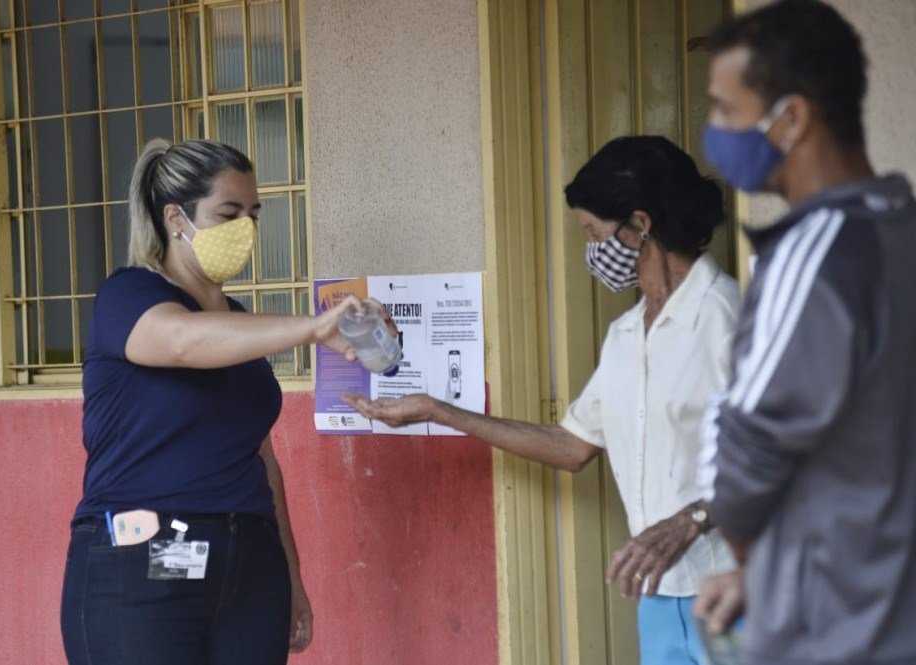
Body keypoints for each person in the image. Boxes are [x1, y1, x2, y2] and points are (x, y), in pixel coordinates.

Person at [345, 136, 739, 665]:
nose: (592, 251)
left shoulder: (729, 318)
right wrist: (438, 410)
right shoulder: (627, 335)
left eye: (593, 233)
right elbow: (571, 445)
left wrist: (692, 518)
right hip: (660, 597)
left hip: (740, 589)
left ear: (640, 225)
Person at [60, 138, 368, 664]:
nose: (245, 228)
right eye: (228, 213)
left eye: (253, 213)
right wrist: (315, 328)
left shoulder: (240, 324)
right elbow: (182, 342)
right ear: (176, 218)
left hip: (247, 565)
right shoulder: (128, 296)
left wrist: (290, 573)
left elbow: (262, 459)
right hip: (143, 565)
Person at [693, 2, 916, 664]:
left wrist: (762, 570)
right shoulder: (898, 229)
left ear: (790, 119)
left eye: (725, 110)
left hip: (839, 633)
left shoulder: (814, 252)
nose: (715, 130)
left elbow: (742, 454)